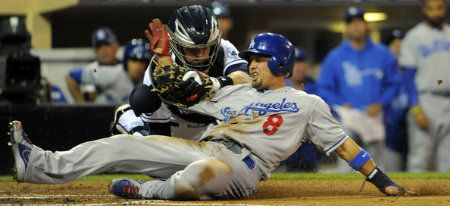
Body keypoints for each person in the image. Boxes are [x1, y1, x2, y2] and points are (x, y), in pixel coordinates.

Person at [8, 33, 412, 200]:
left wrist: (382, 181)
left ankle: (146, 192)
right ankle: (36, 164)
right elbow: (176, 88)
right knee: (121, 143)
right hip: (205, 147)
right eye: (251, 57)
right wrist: (164, 57)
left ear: (281, 63)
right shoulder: (233, 91)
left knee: (199, 175)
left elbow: (343, 146)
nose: (251, 63)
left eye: (260, 58)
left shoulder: (308, 104)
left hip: (243, 169)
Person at [111, 5, 250, 139]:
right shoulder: (158, 67)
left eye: (205, 48)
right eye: (193, 50)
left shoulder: (223, 48)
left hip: (215, 123)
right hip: (175, 126)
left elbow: (245, 79)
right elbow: (159, 134)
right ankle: (130, 123)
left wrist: (214, 83)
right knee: (144, 97)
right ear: (177, 45)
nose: (201, 55)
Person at [316, 7, 400, 173]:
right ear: (346, 27)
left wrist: (381, 103)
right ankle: (347, 195)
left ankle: (380, 194)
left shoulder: (382, 53)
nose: (355, 26)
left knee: (377, 163)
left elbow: (394, 84)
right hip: (348, 116)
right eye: (351, 23)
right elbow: (323, 87)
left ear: (366, 25)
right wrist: (339, 103)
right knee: (346, 162)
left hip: (374, 114)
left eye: (359, 22)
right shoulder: (335, 56)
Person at [399, 0, 450, 172]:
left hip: (448, 101)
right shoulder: (415, 36)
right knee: (420, 157)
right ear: (424, 10)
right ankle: (413, 199)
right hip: (425, 100)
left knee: (448, 158)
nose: (436, 12)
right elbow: (407, 76)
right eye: (432, 9)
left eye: (440, 8)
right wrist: (415, 107)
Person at [65, 27, 134, 104]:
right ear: (94, 50)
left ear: (116, 46)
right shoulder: (93, 69)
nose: (103, 50)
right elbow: (71, 77)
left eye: (107, 44)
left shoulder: (127, 65)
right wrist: (82, 106)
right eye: (99, 46)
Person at [280, 46, 321, 172]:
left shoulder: (317, 87)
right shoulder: (278, 87)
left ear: (307, 65)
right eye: (295, 62)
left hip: (310, 145)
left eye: (301, 62)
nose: (298, 67)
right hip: (283, 147)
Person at [382, 30, 408, 172]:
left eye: (403, 46)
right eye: (395, 45)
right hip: (388, 140)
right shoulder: (380, 75)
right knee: (391, 175)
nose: (400, 49)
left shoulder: (414, 73)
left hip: (412, 137)